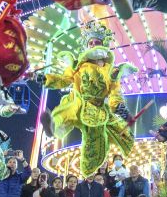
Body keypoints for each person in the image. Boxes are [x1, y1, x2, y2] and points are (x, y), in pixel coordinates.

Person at [38, 22, 135, 178]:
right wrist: (46, 79)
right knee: (67, 112)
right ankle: (53, 125)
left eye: (97, 42)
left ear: (103, 45)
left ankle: (89, 174)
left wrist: (121, 109)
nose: (94, 45)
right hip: (79, 101)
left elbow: (115, 92)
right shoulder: (77, 66)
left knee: (95, 142)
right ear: (87, 46)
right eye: (91, 43)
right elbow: (64, 80)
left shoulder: (112, 71)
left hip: (98, 110)